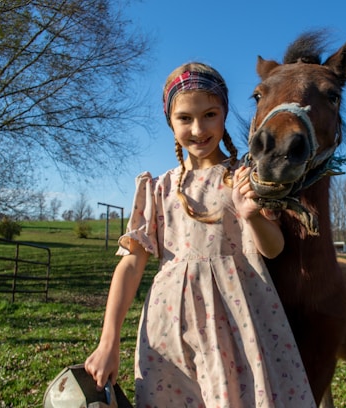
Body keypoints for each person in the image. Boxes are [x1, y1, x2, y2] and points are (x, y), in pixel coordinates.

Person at [84, 62, 316, 408]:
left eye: (210, 114)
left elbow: (273, 248)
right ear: (170, 121)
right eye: (185, 118)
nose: (198, 128)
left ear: (224, 113)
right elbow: (132, 265)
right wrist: (108, 341)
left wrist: (250, 215)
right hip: (167, 331)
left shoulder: (244, 176)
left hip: (236, 327)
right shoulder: (158, 187)